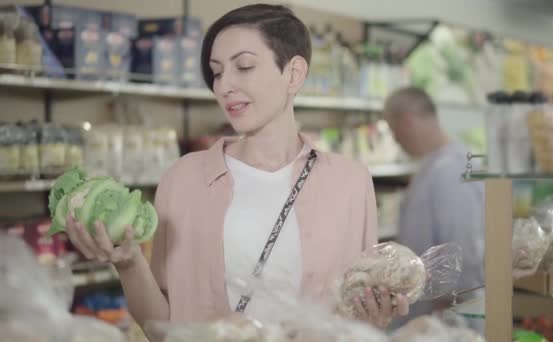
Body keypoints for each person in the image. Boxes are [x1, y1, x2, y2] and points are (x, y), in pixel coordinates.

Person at [62, 3, 408, 334]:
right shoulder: (183, 180)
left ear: (294, 73)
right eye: (216, 72)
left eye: (243, 66)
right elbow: (162, 328)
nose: (224, 86)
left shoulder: (350, 182)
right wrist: (128, 262)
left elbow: (357, 317)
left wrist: (374, 316)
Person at [382, 87, 485, 329]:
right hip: (431, 313)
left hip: (445, 315)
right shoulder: (442, 164)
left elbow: (463, 244)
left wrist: (448, 301)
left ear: (406, 122)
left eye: (395, 132)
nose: (397, 141)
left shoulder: (448, 170)